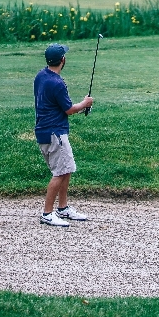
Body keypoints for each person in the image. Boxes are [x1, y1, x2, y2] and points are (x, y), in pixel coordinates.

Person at [34, 43, 93, 227]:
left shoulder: (41, 76)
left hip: (46, 130)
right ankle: (47, 213)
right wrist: (85, 103)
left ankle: (63, 208)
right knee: (59, 173)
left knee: (66, 169)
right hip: (55, 133)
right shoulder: (57, 83)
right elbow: (69, 109)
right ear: (63, 60)